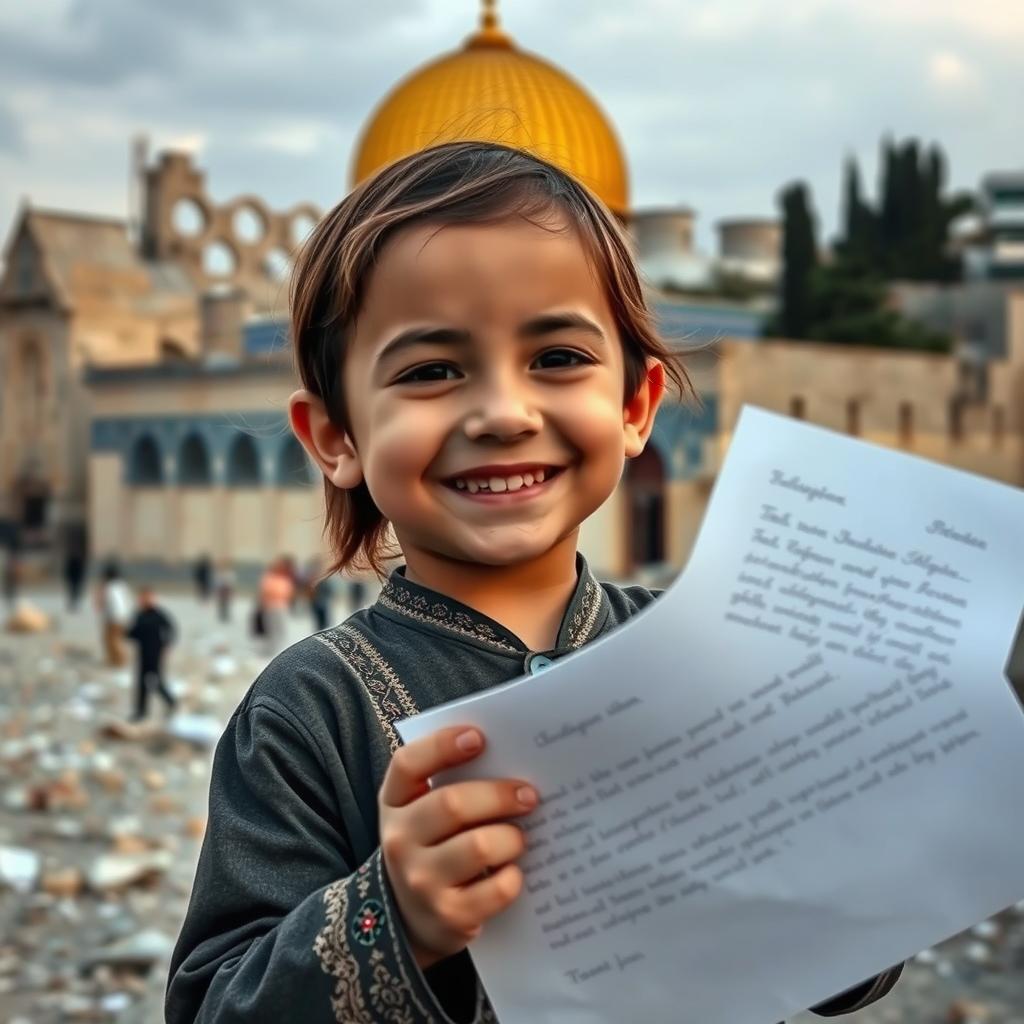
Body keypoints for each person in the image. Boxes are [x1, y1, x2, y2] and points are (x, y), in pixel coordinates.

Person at [166, 142, 902, 1022]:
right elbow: (213, 1004)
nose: (505, 414)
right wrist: (392, 917)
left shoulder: (706, 661)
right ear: (336, 437)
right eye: (431, 370)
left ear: (635, 407)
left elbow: (845, 968)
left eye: (556, 357)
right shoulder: (311, 711)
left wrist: (827, 832)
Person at [125, 586, 178, 721]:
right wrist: (124, 632)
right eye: (142, 597)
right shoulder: (139, 615)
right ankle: (141, 712)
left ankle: (171, 701)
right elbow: (133, 633)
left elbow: (171, 629)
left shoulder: (158, 614)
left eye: (148, 597)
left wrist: (167, 645)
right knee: (141, 684)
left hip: (155, 653)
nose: (144, 600)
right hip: (143, 654)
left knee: (156, 681)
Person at [95, 562, 132, 667]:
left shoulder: (109, 587)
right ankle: (114, 659)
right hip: (123, 617)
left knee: (111, 640)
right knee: (114, 639)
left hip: (113, 618)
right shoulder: (122, 585)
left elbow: (107, 603)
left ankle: (119, 660)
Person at [257, 556, 295, 655]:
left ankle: (280, 649)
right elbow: (264, 593)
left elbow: (289, 594)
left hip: (282, 607)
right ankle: (270, 649)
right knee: (271, 629)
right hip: (270, 607)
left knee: (281, 629)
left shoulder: (285, 579)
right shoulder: (269, 578)